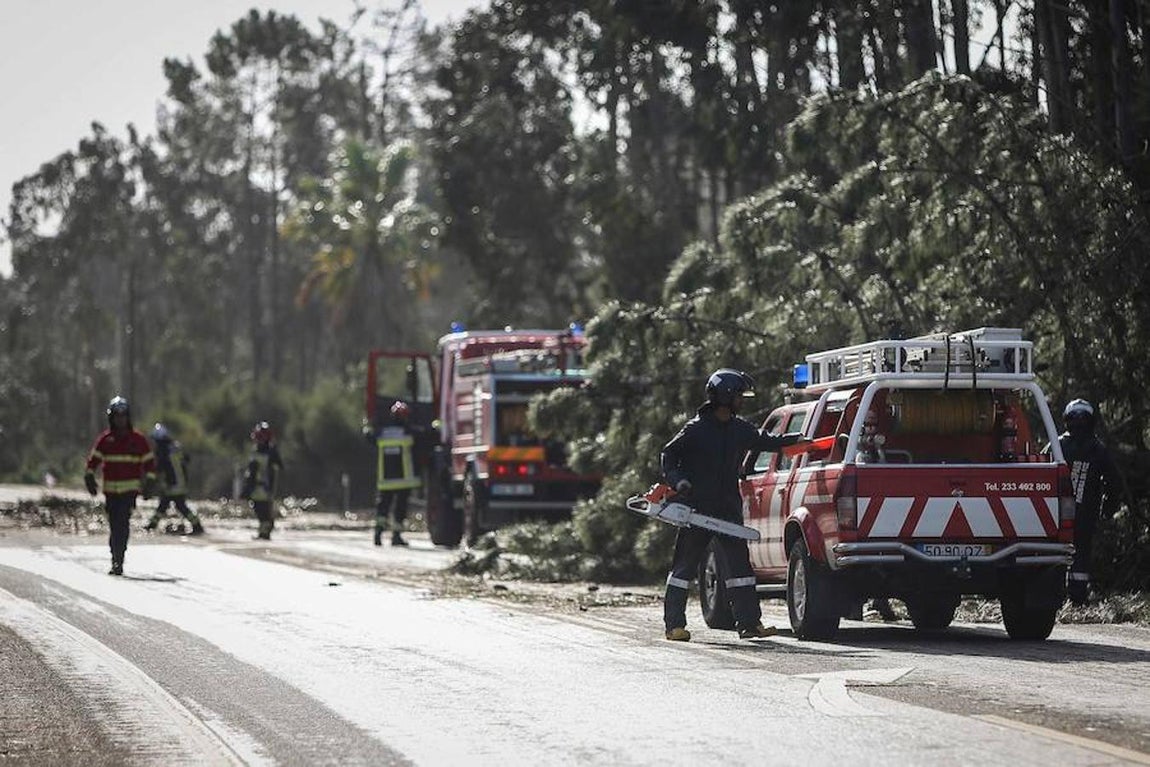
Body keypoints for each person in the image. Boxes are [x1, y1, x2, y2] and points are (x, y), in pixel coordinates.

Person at [660, 369, 809, 641]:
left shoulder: (739, 429)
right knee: (684, 568)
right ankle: (674, 625)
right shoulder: (696, 430)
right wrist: (678, 481)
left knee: (740, 568)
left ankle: (749, 624)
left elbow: (767, 442)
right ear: (725, 396)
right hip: (696, 510)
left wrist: (797, 441)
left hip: (728, 509)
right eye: (739, 395)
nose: (742, 400)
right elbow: (668, 455)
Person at [84, 396, 157, 576]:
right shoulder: (105, 440)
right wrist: (89, 478)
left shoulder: (138, 440)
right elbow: (93, 462)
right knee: (113, 526)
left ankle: (119, 559)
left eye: (123, 416)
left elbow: (150, 465)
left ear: (128, 417)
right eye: (117, 416)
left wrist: (150, 484)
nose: (120, 419)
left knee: (122, 525)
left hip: (129, 492)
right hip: (110, 492)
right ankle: (114, 556)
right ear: (112, 418)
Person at [1059, 399, 1117, 605]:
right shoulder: (1098, 448)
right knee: (1080, 552)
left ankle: (1067, 597)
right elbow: (1113, 481)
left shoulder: (1058, 446)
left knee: (1060, 551)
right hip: (1083, 513)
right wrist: (1110, 507)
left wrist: (1109, 506)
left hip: (1057, 514)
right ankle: (1077, 598)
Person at [373, 401, 422, 546]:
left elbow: (370, 438)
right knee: (400, 509)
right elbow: (422, 436)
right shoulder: (408, 431)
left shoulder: (382, 432)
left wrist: (367, 428)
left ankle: (378, 534)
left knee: (383, 507)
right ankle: (396, 537)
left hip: (386, 479)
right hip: (403, 479)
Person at [144, 423, 204, 535]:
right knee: (168, 506)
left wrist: (153, 482)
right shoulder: (176, 446)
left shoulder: (163, 450)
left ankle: (197, 525)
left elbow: (160, 468)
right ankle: (151, 525)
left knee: (176, 506)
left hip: (172, 484)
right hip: (181, 482)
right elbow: (187, 459)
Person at [242, 421, 283, 541]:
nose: (258, 440)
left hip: (263, 489)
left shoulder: (270, 453)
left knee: (263, 513)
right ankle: (263, 532)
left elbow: (276, 469)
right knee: (260, 512)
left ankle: (264, 534)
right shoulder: (257, 451)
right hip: (257, 488)